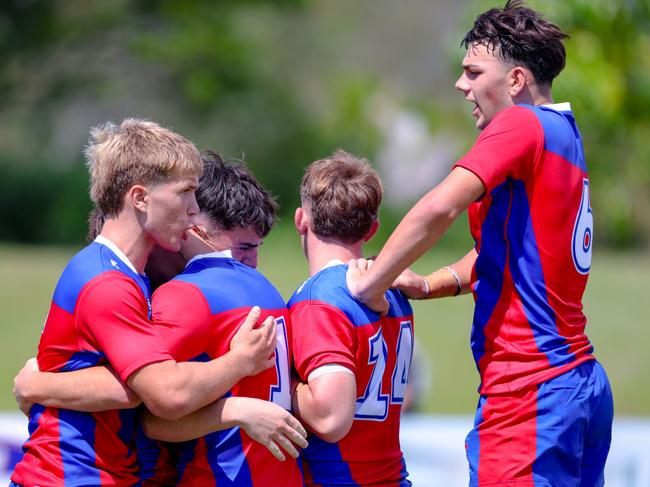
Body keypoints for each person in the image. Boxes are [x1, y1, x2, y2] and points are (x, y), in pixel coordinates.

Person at [346, 1, 613, 485]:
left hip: (530, 392)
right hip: (577, 384)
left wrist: (371, 282)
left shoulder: (521, 123)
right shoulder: (563, 133)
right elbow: (506, 254)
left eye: (472, 71)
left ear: (514, 80)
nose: (460, 84)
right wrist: (428, 285)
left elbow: (438, 207)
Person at [9, 121, 284, 487]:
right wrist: (238, 362)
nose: (194, 209)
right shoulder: (109, 284)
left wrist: (39, 386)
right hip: (72, 476)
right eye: (185, 192)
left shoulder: (131, 272)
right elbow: (165, 392)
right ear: (139, 198)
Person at [290, 150, 414, 486]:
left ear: (301, 219)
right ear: (372, 230)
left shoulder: (319, 299)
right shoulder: (395, 293)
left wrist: (280, 383)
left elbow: (331, 418)